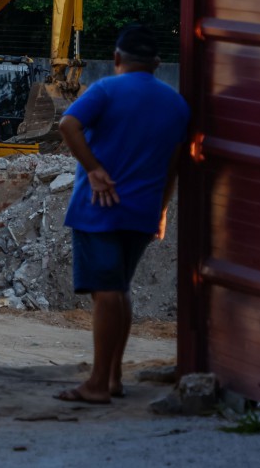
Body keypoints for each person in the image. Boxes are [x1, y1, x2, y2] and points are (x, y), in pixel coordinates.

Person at [54, 24, 190, 404]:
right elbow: (174, 165)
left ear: (116, 59)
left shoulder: (105, 90)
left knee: (107, 293)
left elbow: (68, 124)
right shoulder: (176, 104)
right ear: (157, 64)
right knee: (121, 290)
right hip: (142, 211)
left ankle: (97, 384)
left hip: (99, 209)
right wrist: (161, 211)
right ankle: (112, 378)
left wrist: (94, 170)